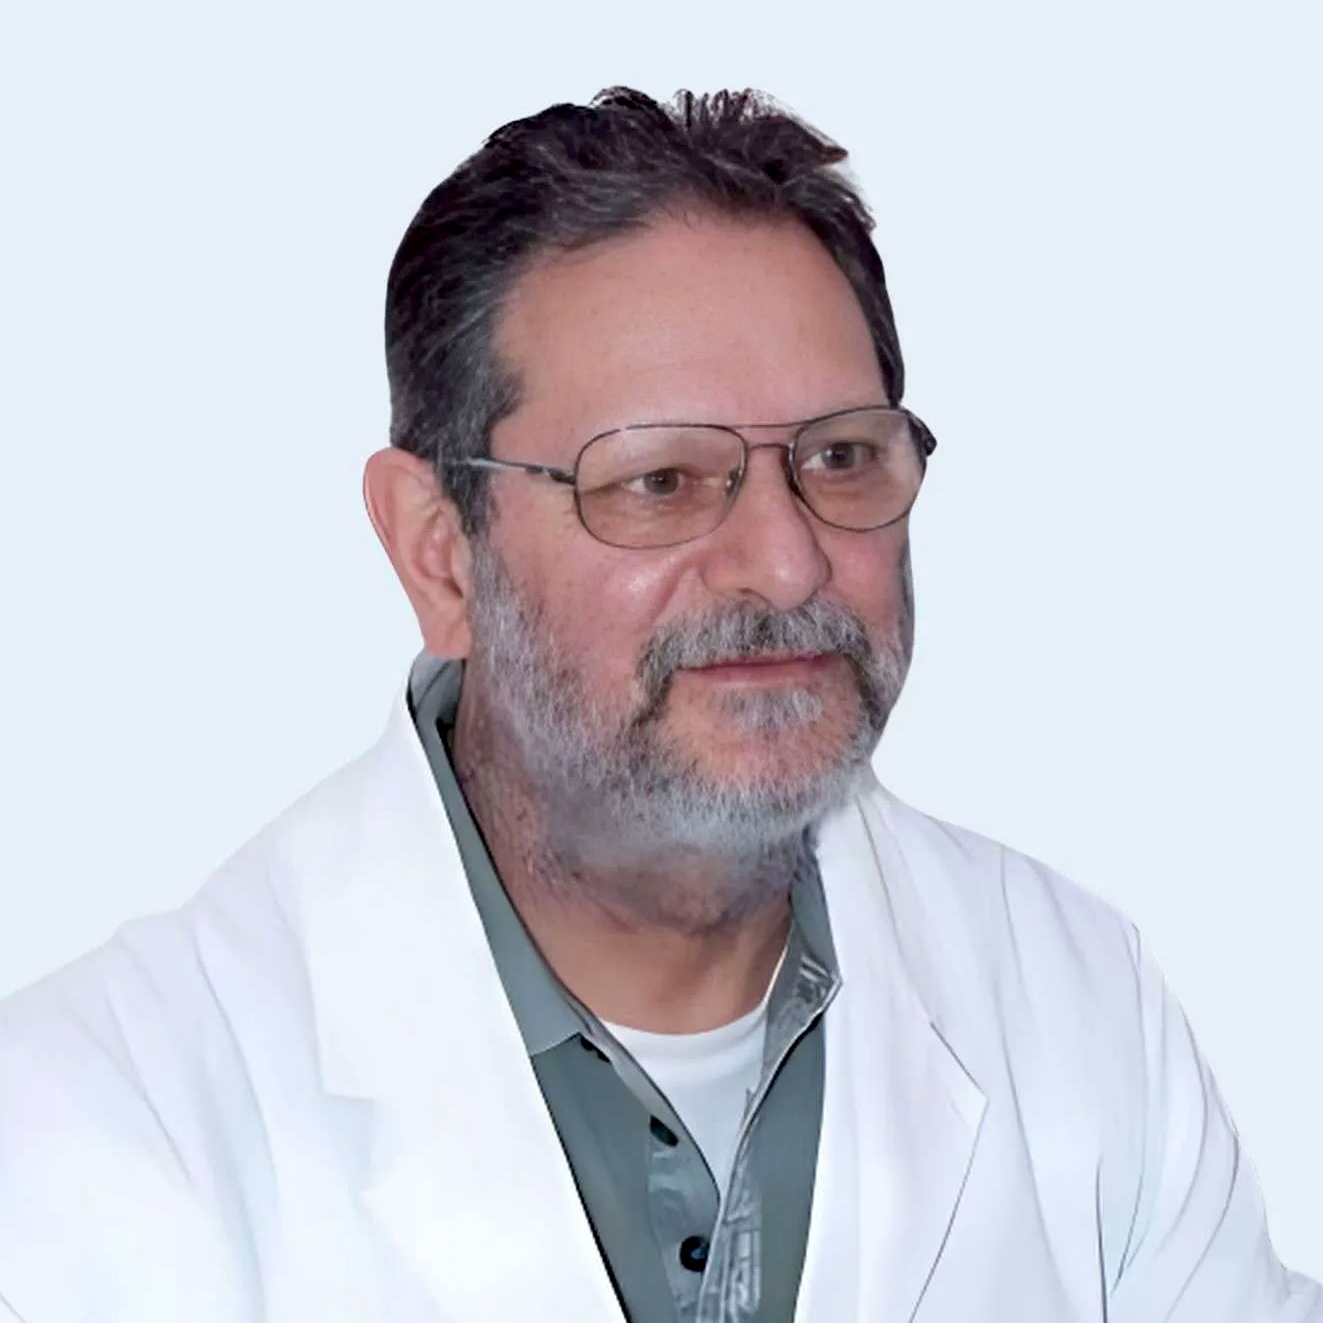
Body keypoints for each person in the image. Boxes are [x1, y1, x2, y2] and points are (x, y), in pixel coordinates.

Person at [0, 87, 1317, 1323]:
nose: (787, 564)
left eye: (839, 458)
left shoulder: (1081, 1005)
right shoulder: (101, 1123)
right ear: (440, 554)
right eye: (659, 482)